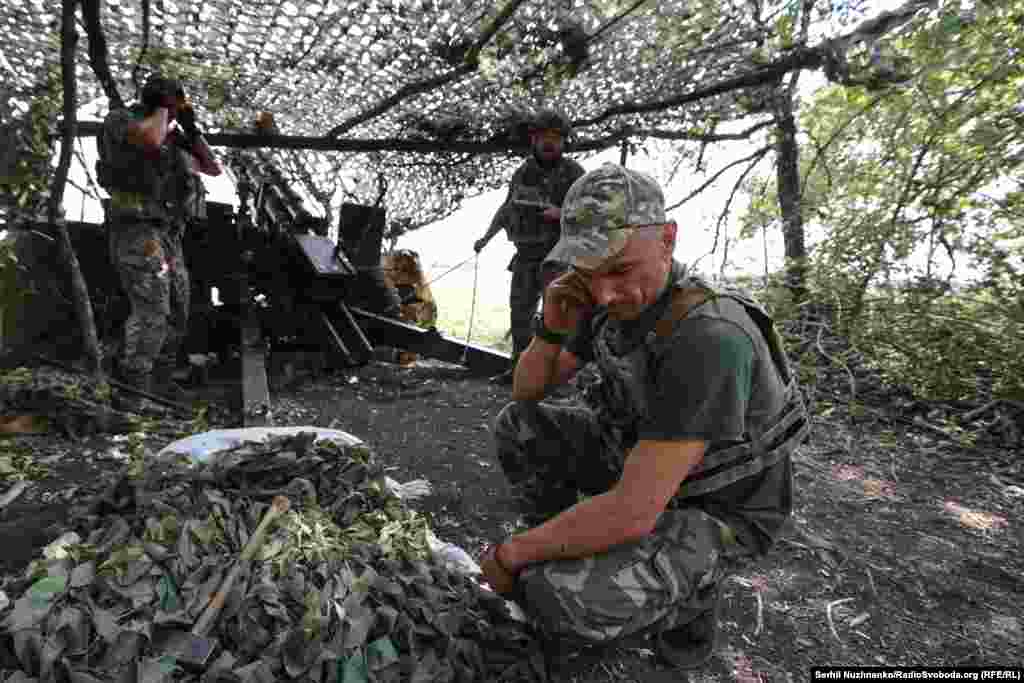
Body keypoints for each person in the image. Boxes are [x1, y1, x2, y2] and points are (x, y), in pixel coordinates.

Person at [478, 164, 808, 669]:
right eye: (588, 271)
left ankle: (690, 603)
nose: (604, 293)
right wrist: (551, 326)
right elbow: (527, 390)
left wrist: (510, 554)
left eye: (620, 270)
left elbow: (634, 510)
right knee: (519, 426)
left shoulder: (710, 336)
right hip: (644, 466)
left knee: (556, 596)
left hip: (720, 507)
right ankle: (568, 544)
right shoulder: (609, 298)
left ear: (667, 240)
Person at [98, 74, 222, 403]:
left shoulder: (172, 134)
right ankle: (134, 393)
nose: (177, 107)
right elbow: (150, 141)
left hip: (167, 234)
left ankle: (161, 383)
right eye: (173, 100)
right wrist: (164, 111)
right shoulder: (121, 120)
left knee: (179, 309)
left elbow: (212, 168)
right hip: (137, 231)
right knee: (152, 309)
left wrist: (191, 130)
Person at [474, 107, 585, 385]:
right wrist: (486, 238)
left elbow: (594, 213)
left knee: (556, 318)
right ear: (534, 139)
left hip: (558, 258)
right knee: (520, 315)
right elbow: (507, 208)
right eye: (543, 136)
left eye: (556, 138)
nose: (549, 143)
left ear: (564, 141)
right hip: (525, 256)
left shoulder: (575, 173)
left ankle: (555, 378)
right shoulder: (523, 172)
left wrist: (561, 214)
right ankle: (518, 371)